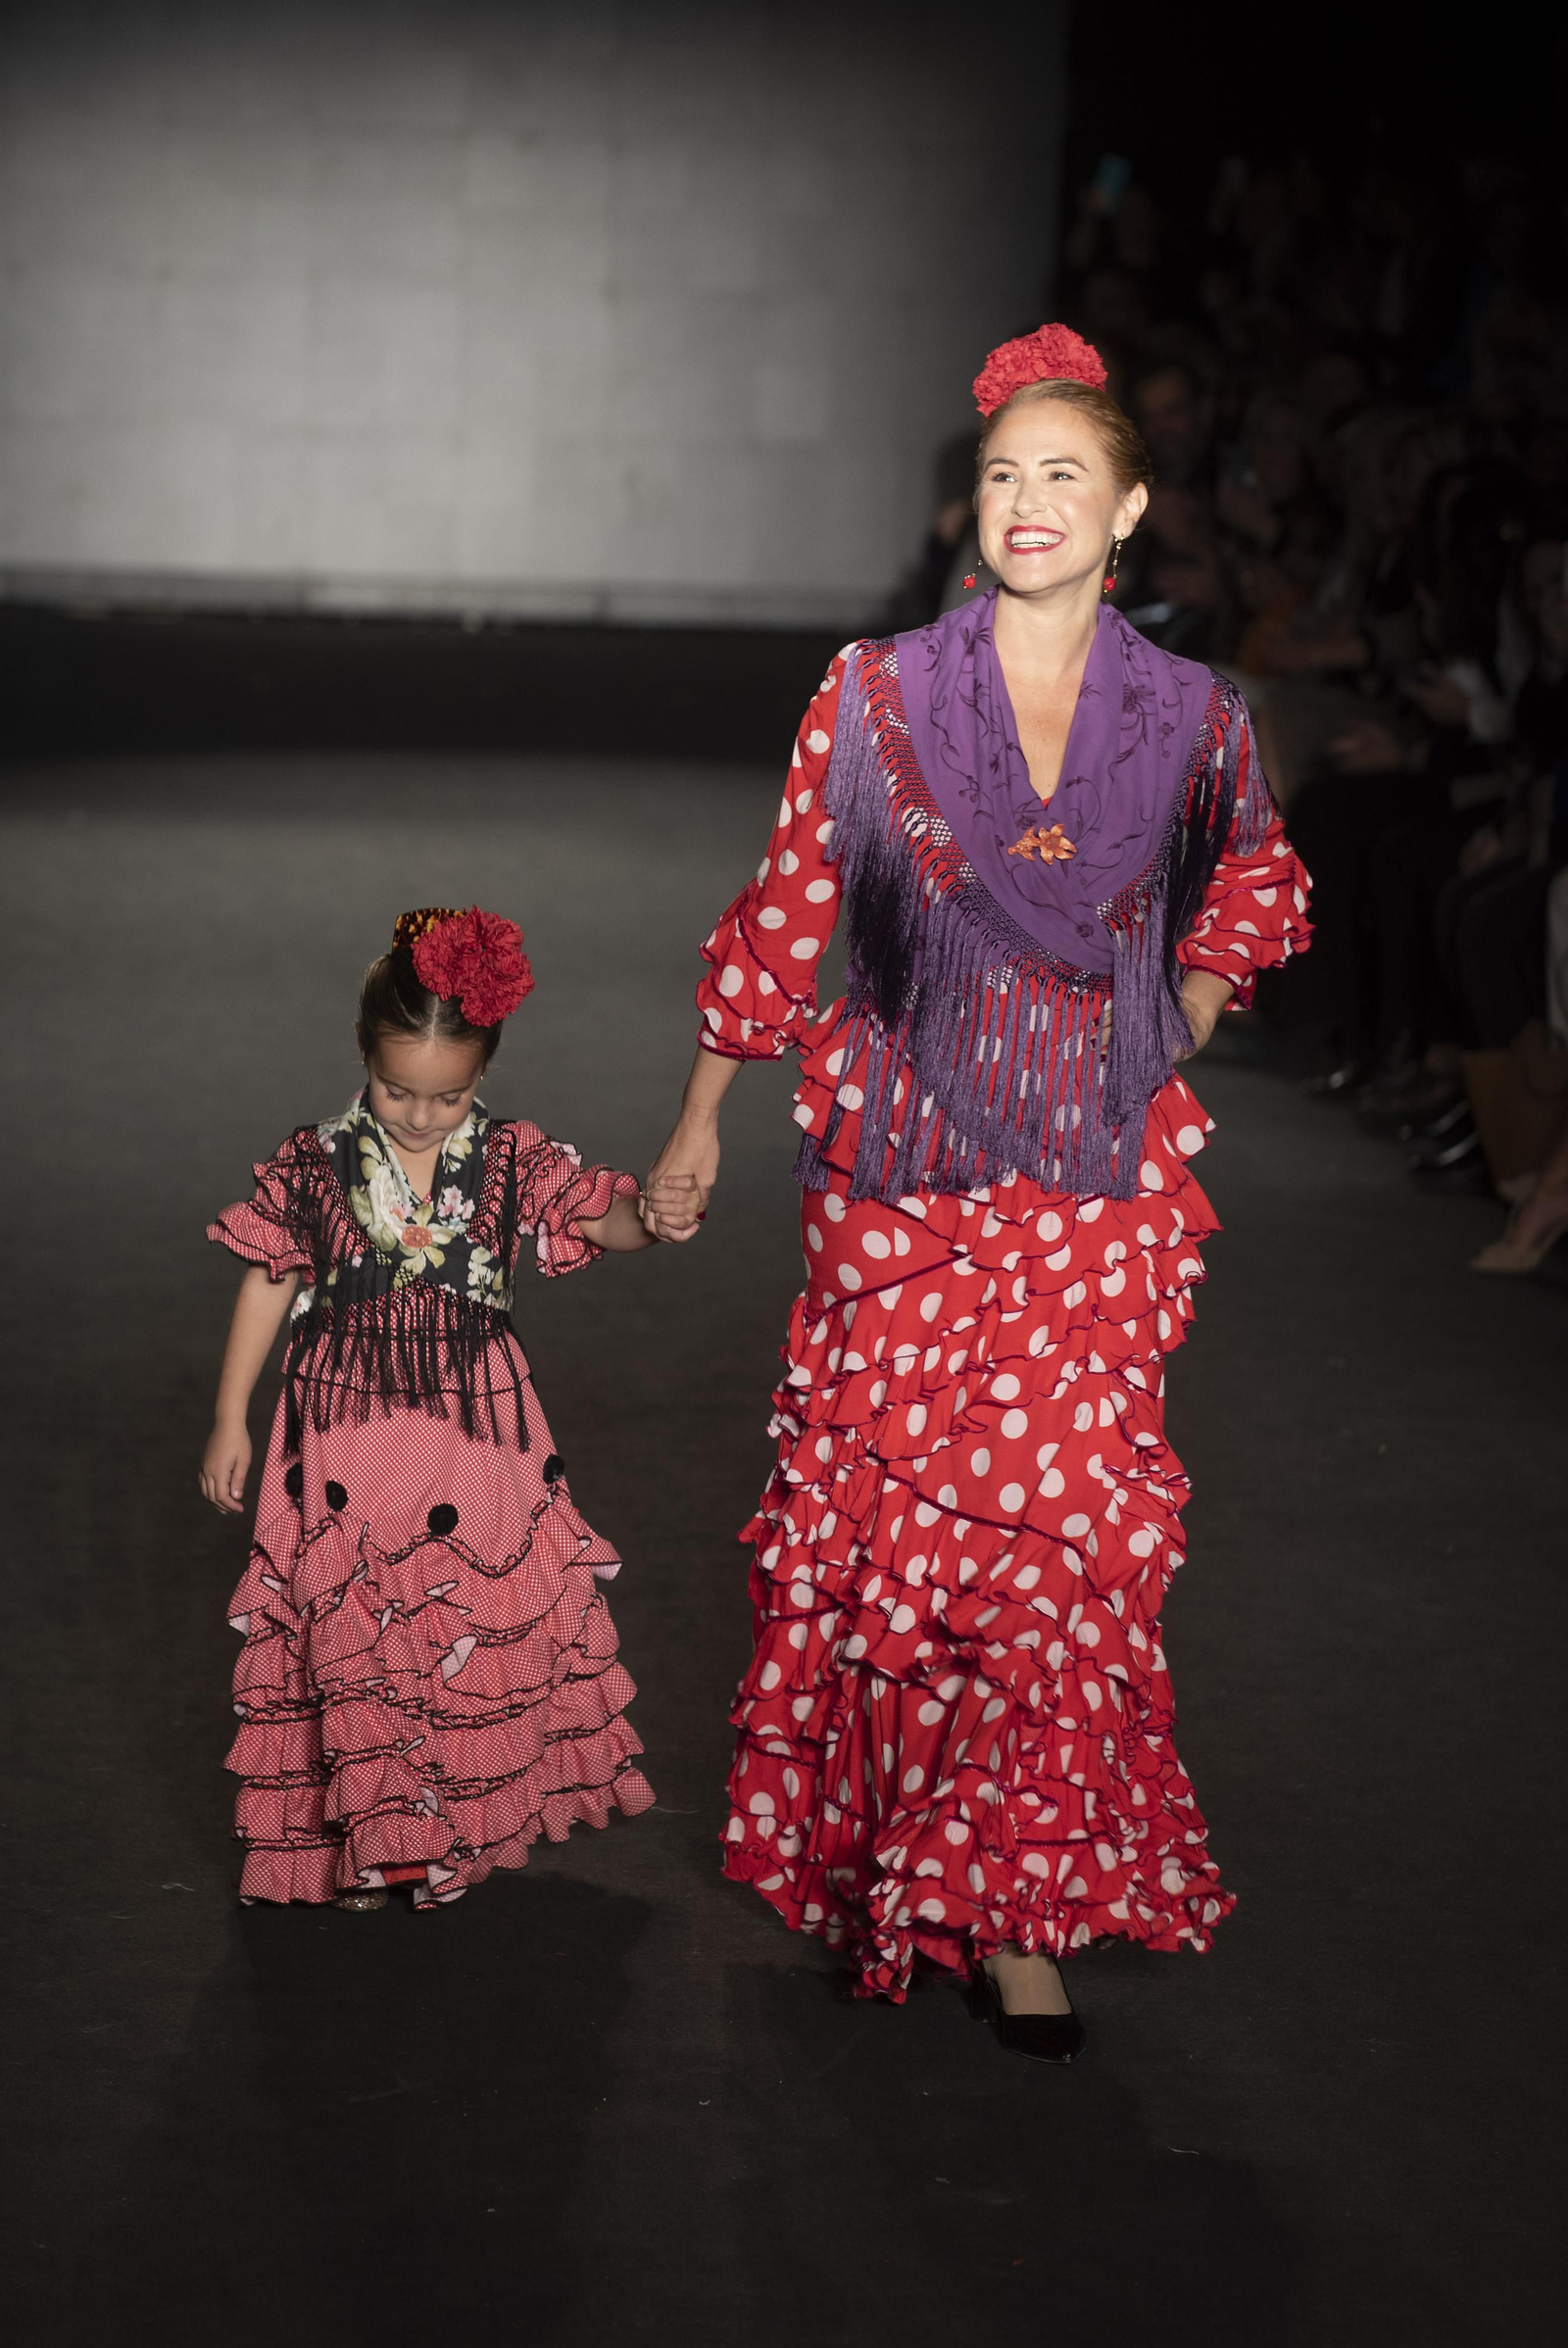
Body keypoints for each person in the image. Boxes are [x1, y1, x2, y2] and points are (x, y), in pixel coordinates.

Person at [646, 325, 1312, 2062]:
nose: (1027, 503)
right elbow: (790, 914)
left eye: (1064, 475)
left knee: (1063, 1553)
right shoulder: (873, 695)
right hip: (908, 1185)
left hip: (1093, 1194)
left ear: (1132, 508)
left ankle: (1016, 1913)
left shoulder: (1190, 715)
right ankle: (903, 1867)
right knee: (905, 1556)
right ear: (976, 504)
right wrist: (703, 1113)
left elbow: (1254, 879)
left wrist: (1187, 1015)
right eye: (1004, 474)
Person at [200, 905, 692, 1910]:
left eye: (447, 1093)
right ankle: (374, 1837)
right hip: (344, 1431)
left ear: (485, 1072)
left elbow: (597, 1215)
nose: (419, 1114)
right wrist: (229, 1415)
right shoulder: (315, 1159)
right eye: (396, 1089)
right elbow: (265, 1279)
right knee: (356, 1626)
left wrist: (656, 1211)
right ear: (363, 1057)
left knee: (464, 1618)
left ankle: (442, 1827)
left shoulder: (513, 1157)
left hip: (473, 1435)